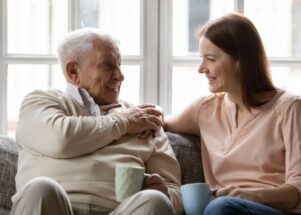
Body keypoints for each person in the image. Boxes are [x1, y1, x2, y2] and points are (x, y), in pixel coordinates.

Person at [12, 28, 183, 215]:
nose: (120, 75)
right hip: (53, 207)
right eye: (108, 66)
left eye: (119, 64)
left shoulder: (143, 119)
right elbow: (62, 140)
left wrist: (165, 193)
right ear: (73, 71)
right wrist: (123, 121)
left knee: (155, 200)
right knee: (40, 189)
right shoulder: (40, 102)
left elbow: (175, 193)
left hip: (122, 211)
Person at [164, 13, 301, 215]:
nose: (202, 69)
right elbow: (160, 122)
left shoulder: (289, 108)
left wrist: (250, 196)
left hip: (278, 211)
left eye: (210, 59)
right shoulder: (205, 109)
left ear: (241, 61)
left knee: (220, 207)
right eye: (202, 59)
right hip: (222, 210)